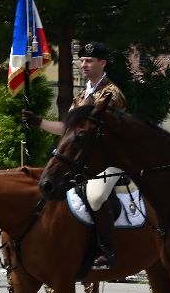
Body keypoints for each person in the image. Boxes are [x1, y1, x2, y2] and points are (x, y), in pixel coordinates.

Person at [30, 40, 128, 271]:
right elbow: (68, 129)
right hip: (83, 163)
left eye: (89, 60)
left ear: (102, 63)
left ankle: (106, 250)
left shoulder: (110, 94)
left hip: (109, 161)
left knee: (95, 197)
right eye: (82, 60)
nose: (83, 64)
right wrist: (39, 122)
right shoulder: (83, 94)